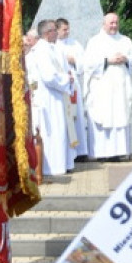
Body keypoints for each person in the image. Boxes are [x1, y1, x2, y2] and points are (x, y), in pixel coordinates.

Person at [83, 12, 132, 160]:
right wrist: (107, 61)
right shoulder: (95, 42)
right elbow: (88, 64)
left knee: (120, 115)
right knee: (103, 116)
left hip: (121, 88)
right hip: (102, 88)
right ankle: (102, 153)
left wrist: (126, 59)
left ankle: (118, 153)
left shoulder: (125, 41)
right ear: (104, 24)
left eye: (116, 23)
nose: (114, 26)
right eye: (111, 23)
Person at [31, 19, 75, 177]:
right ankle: (51, 168)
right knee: (53, 132)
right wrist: (66, 80)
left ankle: (63, 164)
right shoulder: (41, 50)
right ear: (47, 33)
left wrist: (68, 77)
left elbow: (62, 69)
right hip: (48, 98)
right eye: (55, 30)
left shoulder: (53, 48)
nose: (57, 33)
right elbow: (49, 76)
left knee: (60, 131)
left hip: (58, 96)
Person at [55, 17, 88, 160]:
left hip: (73, 84)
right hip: (61, 85)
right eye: (64, 29)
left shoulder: (75, 44)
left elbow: (84, 62)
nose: (67, 32)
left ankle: (80, 151)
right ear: (57, 30)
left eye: (68, 29)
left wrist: (74, 61)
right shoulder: (53, 45)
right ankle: (68, 153)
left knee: (76, 116)